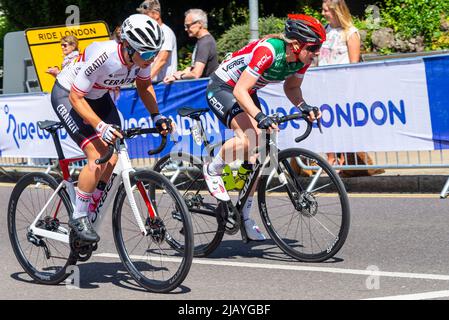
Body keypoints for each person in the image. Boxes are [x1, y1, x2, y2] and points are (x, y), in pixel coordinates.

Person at [50, 14, 173, 242]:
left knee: (113, 157)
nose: (151, 59)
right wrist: (99, 125)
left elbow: (144, 86)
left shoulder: (139, 60)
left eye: (154, 53)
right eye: (147, 54)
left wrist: (157, 116)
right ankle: (78, 216)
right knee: (97, 154)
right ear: (127, 46)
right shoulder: (103, 55)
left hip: (97, 96)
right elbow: (77, 98)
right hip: (68, 94)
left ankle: (91, 202)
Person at [203, 14, 325, 240]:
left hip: (245, 91)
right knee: (250, 137)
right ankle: (213, 169)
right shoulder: (269, 51)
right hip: (223, 87)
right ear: (296, 44)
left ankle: (245, 216)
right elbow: (239, 91)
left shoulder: (302, 59)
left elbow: (292, 88)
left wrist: (304, 106)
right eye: (314, 47)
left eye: (319, 47)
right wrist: (260, 116)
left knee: (257, 156)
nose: (317, 52)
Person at [318, 0, 383, 176]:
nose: (323, 13)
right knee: (327, 122)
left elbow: (354, 65)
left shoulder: (350, 33)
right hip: (324, 84)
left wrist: (351, 89)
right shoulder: (325, 30)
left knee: (343, 124)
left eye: (326, 11)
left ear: (337, 11)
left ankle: (347, 160)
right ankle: (330, 158)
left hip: (342, 86)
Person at [163, 8, 218, 83]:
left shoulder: (205, 43)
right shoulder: (203, 40)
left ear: (199, 24)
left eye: (188, 26)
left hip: (206, 88)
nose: (186, 29)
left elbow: (196, 74)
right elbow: (195, 69)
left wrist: (180, 76)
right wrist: (183, 72)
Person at [137, 0, 178, 83]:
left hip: (162, 87)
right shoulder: (152, 33)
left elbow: (162, 60)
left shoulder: (165, 32)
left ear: (156, 14)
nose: (143, 20)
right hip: (154, 85)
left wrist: (144, 81)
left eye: (145, 16)